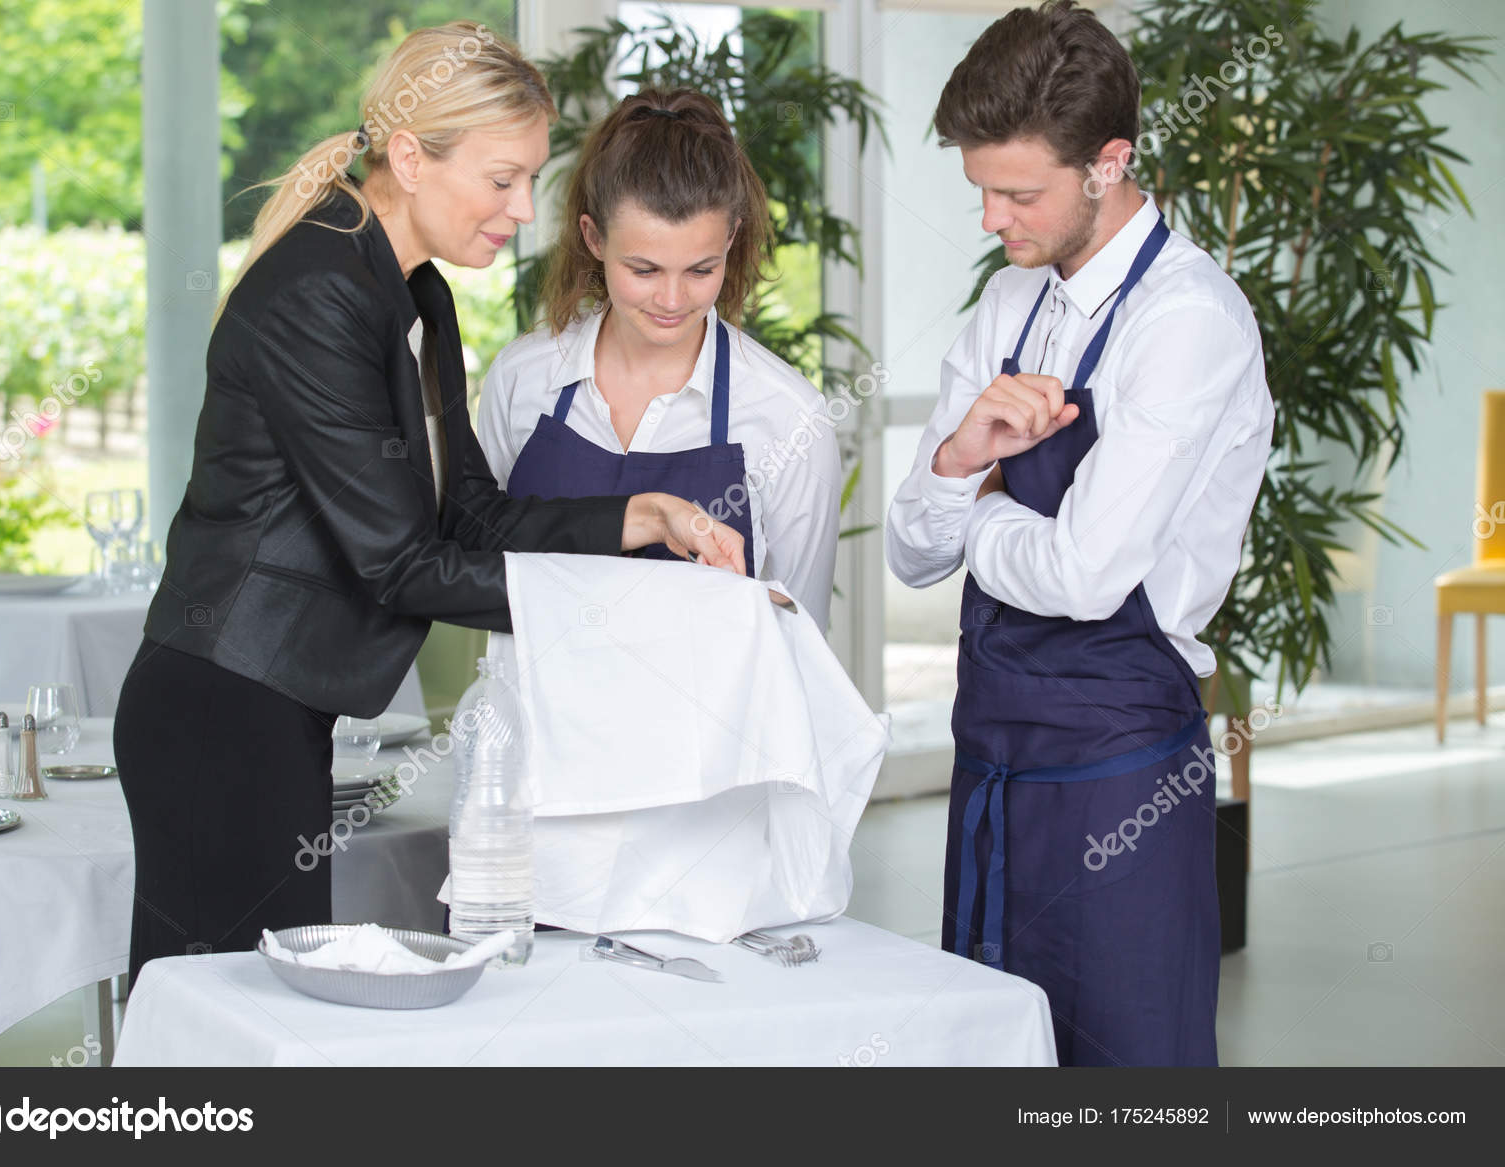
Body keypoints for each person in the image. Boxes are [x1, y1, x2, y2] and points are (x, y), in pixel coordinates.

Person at [113, 25, 743, 989]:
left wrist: (642, 520)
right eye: (501, 179)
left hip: (278, 707)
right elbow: (400, 565)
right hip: (219, 707)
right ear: (409, 158)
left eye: (531, 180)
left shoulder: (416, 292)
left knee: (259, 1020)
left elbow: (473, 518)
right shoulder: (318, 292)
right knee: (225, 1029)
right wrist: (610, 605)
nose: (523, 211)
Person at [884, 0, 1273, 1066]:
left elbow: (1089, 577)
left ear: (1108, 164)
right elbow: (911, 551)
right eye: (980, 190)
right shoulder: (1006, 304)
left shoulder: (1186, 323)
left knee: (1127, 1074)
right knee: (999, 1062)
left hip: (1120, 777)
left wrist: (984, 503)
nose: (990, 219)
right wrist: (964, 461)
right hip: (991, 764)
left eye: (1017, 193)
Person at [478, 89, 841, 631]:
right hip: (534, 713)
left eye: (700, 270)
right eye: (644, 270)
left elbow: (799, 633)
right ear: (593, 237)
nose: (673, 301)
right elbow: (481, 557)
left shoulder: (789, 416)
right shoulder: (522, 378)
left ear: (732, 239)